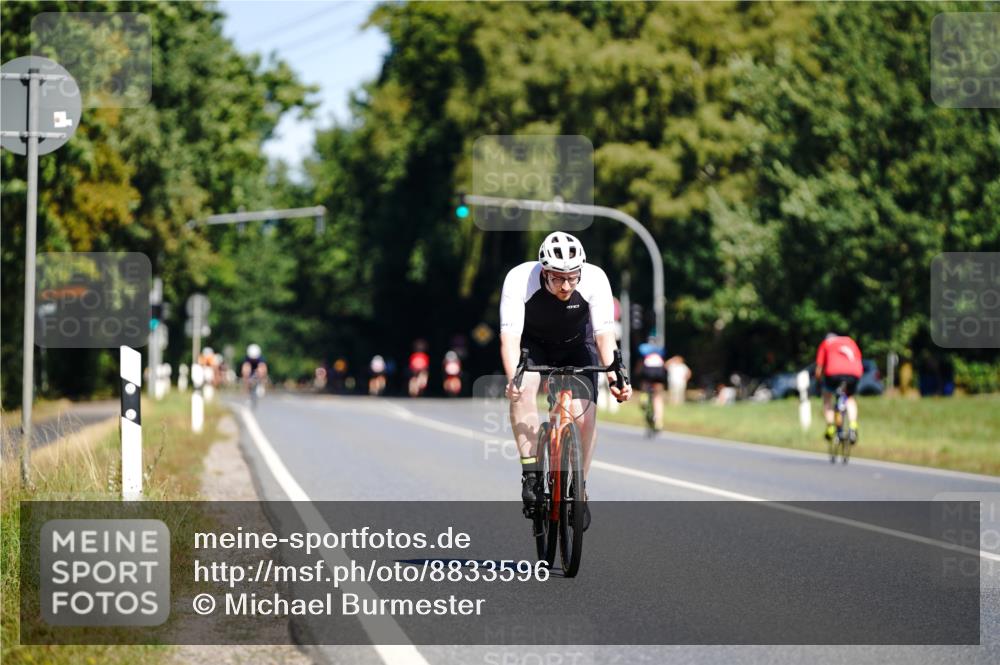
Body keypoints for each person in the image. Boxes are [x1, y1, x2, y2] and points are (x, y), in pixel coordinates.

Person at [500, 232, 632, 531]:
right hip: (533, 345)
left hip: (577, 344)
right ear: (544, 272)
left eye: (572, 277)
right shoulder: (520, 279)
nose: (567, 285)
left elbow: (603, 335)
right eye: (558, 278)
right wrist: (513, 380)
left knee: (585, 417)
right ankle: (531, 474)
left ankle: (579, 489)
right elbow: (509, 339)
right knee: (523, 392)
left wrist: (615, 375)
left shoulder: (595, 278)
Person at [815, 332, 863, 444]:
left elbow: (819, 368)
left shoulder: (826, 343)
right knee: (850, 398)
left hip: (834, 373)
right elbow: (859, 360)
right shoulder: (850, 341)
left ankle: (830, 427)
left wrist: (819, 382)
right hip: (854, 373)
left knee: (827, 397)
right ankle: (853, 427)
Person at [635, 337, 666, 429]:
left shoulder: (644, 350)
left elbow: (640, 364)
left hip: (648, 371)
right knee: (658, 395)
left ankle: (643, 396)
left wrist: (637, 375)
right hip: (659, 372)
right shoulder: (660, 351)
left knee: (644, 384)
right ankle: (658, 420)